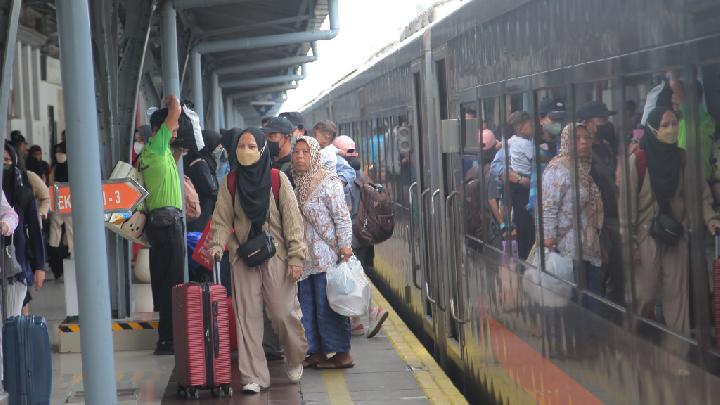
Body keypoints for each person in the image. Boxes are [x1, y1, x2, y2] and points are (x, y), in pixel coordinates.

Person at [208, 127, 307, 394]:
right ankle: (253, 376)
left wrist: (296, 257)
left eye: (252, 146)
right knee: (247, 318)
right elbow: (221, 220)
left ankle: (295, 356)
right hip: (243, 256)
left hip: (277, 255)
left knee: (282, 312)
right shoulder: (230, 182)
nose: (246, 151)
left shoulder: (277, 179)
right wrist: (218, 245)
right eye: (242, 146)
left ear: (262, 149)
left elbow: (293, 221)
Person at [628, 107, 720, 343]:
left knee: (677, 297)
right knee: (646, 292)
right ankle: (632, 338)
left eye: (674, 123)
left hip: (676, 233)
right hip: (646, 235)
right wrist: (629, 241)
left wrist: (711, 218)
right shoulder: (638, 161)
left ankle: (677, 353)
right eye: (665, 125)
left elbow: (699, 193)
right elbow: (626, 206)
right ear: (652, 129)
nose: (671, 129)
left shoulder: (683, 158)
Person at [292, 135, 354, 370]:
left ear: (315, 155)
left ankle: (342, 354)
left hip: (328, 256)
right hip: (306, 258)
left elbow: (342, 217)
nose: (300, 156)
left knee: (329, 306)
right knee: (307, 307)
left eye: (305, 152)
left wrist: (345, 247)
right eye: (296, 152)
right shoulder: (297, 182)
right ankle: (315, 352)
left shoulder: (328, 181)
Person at [139, 95, 184, 356]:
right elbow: (175, 111)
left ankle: (167, 336)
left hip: (163, 224)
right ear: (158, 130)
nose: (176, 130)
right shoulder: (156, 145)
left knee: (166, 283)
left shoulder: (160, 151)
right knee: (171, 285)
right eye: (172, 127)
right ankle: (167, 340)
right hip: (167, 226)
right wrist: (171, 101)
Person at [542, 124, 604, 310]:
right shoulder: (557, 169)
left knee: (593, 301)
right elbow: (548, 208)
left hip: (590, 246)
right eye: (576, 138)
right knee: (573, 302)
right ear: (566, 142)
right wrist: (549, 241)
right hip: (567, 248)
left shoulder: (586, 168)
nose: (584, 142)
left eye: (587, 137)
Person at [333, 135, 389, 338]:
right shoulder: (362, 176)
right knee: (354, 276)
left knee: (352, 280)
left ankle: (373, 311)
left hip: (350, 237)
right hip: (364, 235)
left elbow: (344, 209)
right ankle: (355, 322)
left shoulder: (344, 177)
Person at [578, 101, 620, 303]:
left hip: (614, 215)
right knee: (598, 272)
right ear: (588, 123)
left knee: (617, 270)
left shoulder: (606, 147)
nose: (606, 123)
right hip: (596, 221)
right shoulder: (582, 154)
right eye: (601, 120)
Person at [3, 142, 46, 316]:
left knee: (13, 316)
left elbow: (34, 231)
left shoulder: (24, 189)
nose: (4, 165)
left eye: (7, 160)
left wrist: (39, 266)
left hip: (18, 263)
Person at [505, 111, 535, 259]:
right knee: (527, 227)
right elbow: (536, 157)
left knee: (523, 226)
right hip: (524, 184)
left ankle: (524, 260)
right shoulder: (525, 144)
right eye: (530, 125)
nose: (533, 127)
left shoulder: (512, 141)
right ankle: (528, 259)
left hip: (517, 186)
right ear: (520, 128)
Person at [527, 98, 565, 213]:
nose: (558, 124)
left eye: (560, 120)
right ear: (541, 120)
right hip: (542, 206)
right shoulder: (530, 145)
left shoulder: (565, 143)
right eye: (554, 119)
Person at [184, 129, 221, 233]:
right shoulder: (200, 164)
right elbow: (211, 189)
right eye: (218, 147)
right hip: (199, 216)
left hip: (200, 213)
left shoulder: (201, 161)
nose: (219, 150)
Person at [312, 120, 356, 202]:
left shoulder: (330, 155)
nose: (314, 138)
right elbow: (343, 152)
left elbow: (350, 172)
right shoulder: (331, 149)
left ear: (326, 137)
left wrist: (336, 185)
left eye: (315, 135)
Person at [48, 141, 73, 279]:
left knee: (56, 236)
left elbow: (50, 185)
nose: (59, 155)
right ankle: (69, 263)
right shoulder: (72, 167)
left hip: (59, 205)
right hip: (68, 205)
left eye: (60, 152)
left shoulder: (55, 168)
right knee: (70, 235)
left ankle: (58, 267)